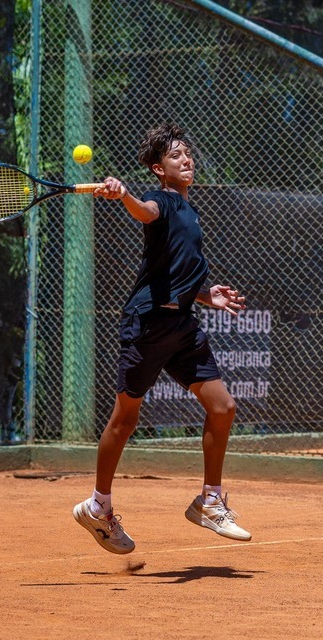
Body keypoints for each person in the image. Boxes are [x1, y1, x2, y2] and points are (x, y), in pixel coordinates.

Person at [72, 123, 251, 554]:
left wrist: (207, 295)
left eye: (187, 153)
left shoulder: (190, 210)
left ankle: (209, 501)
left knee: (223, 407)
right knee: (125, 418)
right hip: (148, 325)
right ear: (158, 169)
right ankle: (99, 507)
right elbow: (146, 212)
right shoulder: (165, 202)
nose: (186, 160)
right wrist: (124, 195)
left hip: (183, 324)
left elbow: (176, 272)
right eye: (175, 156)